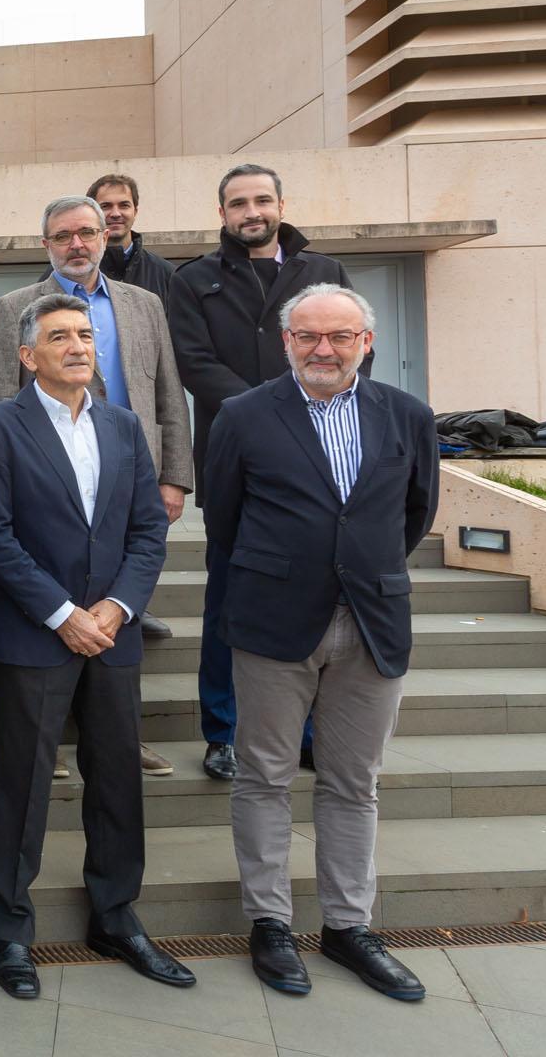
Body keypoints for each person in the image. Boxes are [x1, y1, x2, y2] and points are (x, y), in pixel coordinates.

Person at [206, 284, 438, 1002]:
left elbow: (414, 515)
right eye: (308, 337)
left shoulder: (407, 416)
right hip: (274, 624)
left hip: (371, 623)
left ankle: (348, 926)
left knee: (353, 783)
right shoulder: (243, 416)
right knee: (264, 775)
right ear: (286, 343)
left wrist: (356, 574)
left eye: (340, 336)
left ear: (365, 342)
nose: (324, 350)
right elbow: (225, 518)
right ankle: (270, 922)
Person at [0, 291, 194, 1002]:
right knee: (23, 784)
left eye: (85, 335)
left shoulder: (125, 426)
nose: (77, 345)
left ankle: (116, 917)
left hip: (112, 634)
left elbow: (147, 531)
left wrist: (118, 608)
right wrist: (63, 613)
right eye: (60, 336)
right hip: (36, 633)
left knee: (118, 779)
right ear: (28, 356)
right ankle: (8, 927)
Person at [0, 196, 193, 760]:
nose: (77, 244)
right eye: (63, 236)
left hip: (126, 481)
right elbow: (0, 396)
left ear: (106, 236)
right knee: (51, 610)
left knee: (120, 614)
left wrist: (174, 474)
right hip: (40, 492)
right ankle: (47, 734)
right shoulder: (12, 308)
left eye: (87, 233)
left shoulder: (143, 303)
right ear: (46, 244)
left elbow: (167, 389)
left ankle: (119, 736)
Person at [169, 163, 353, 781]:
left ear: (281, 204)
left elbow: (348, 356)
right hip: (235, 460)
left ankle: (301, 731)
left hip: (317, 466)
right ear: (222, 213)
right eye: (238, 203)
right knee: (228, 600)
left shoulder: (324, 273)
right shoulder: (193, 279)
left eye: (262, 200)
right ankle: (223, 732)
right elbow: (192, 364)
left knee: (305, 602)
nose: (251, 211)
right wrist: (268, 412)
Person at [88, 173, 176, 304]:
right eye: (105, 206)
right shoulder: (69, 272)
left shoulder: (167, 274)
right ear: (92, 213)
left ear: (135, 211)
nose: (116, 214)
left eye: (124, 205)